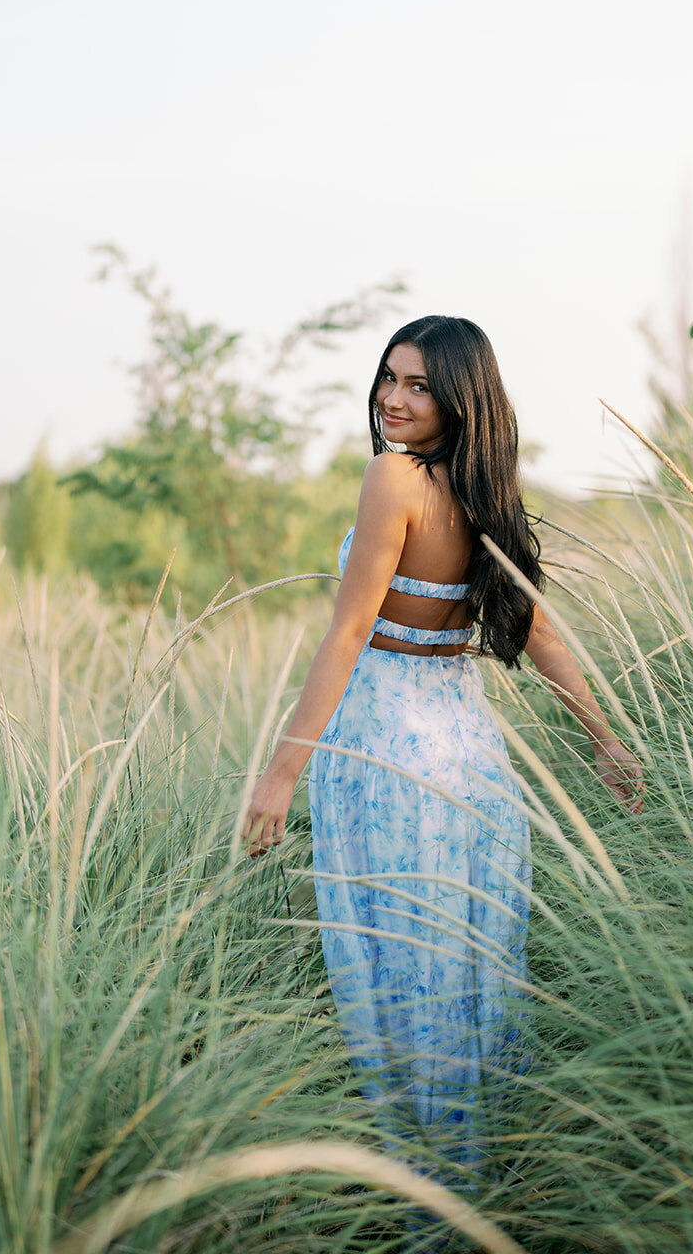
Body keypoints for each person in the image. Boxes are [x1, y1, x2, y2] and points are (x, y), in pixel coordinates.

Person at [243, 315, 643, 1176]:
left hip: (386, 759)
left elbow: (351, 632)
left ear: (461, 397)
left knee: (401, 980)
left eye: (418, 385)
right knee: (464, 973)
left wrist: (279, 774)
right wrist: (604, 742)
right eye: (389, 378)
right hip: (470, 766)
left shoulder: (393, 479)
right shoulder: (481, 496)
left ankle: (430, 1190)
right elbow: (540, 639)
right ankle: (493, 1179)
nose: (393, 398)